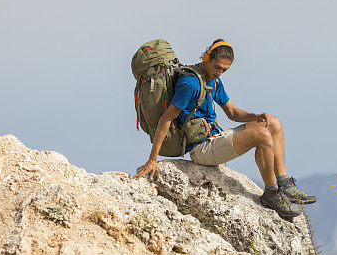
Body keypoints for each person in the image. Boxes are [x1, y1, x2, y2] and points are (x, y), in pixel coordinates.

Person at [133, 39, 316, 218]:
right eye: (218, 67)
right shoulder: (190, 83)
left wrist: (257, 116)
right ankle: (271, 193)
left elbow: (233, 113)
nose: (220, 72)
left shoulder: (213, 80)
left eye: (224, 70)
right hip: (200, 149)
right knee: (262, 135)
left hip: (215, 138)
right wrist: (152, 159)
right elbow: (166, 119)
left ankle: (284, 184)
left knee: (273, 123)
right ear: (207, 58)